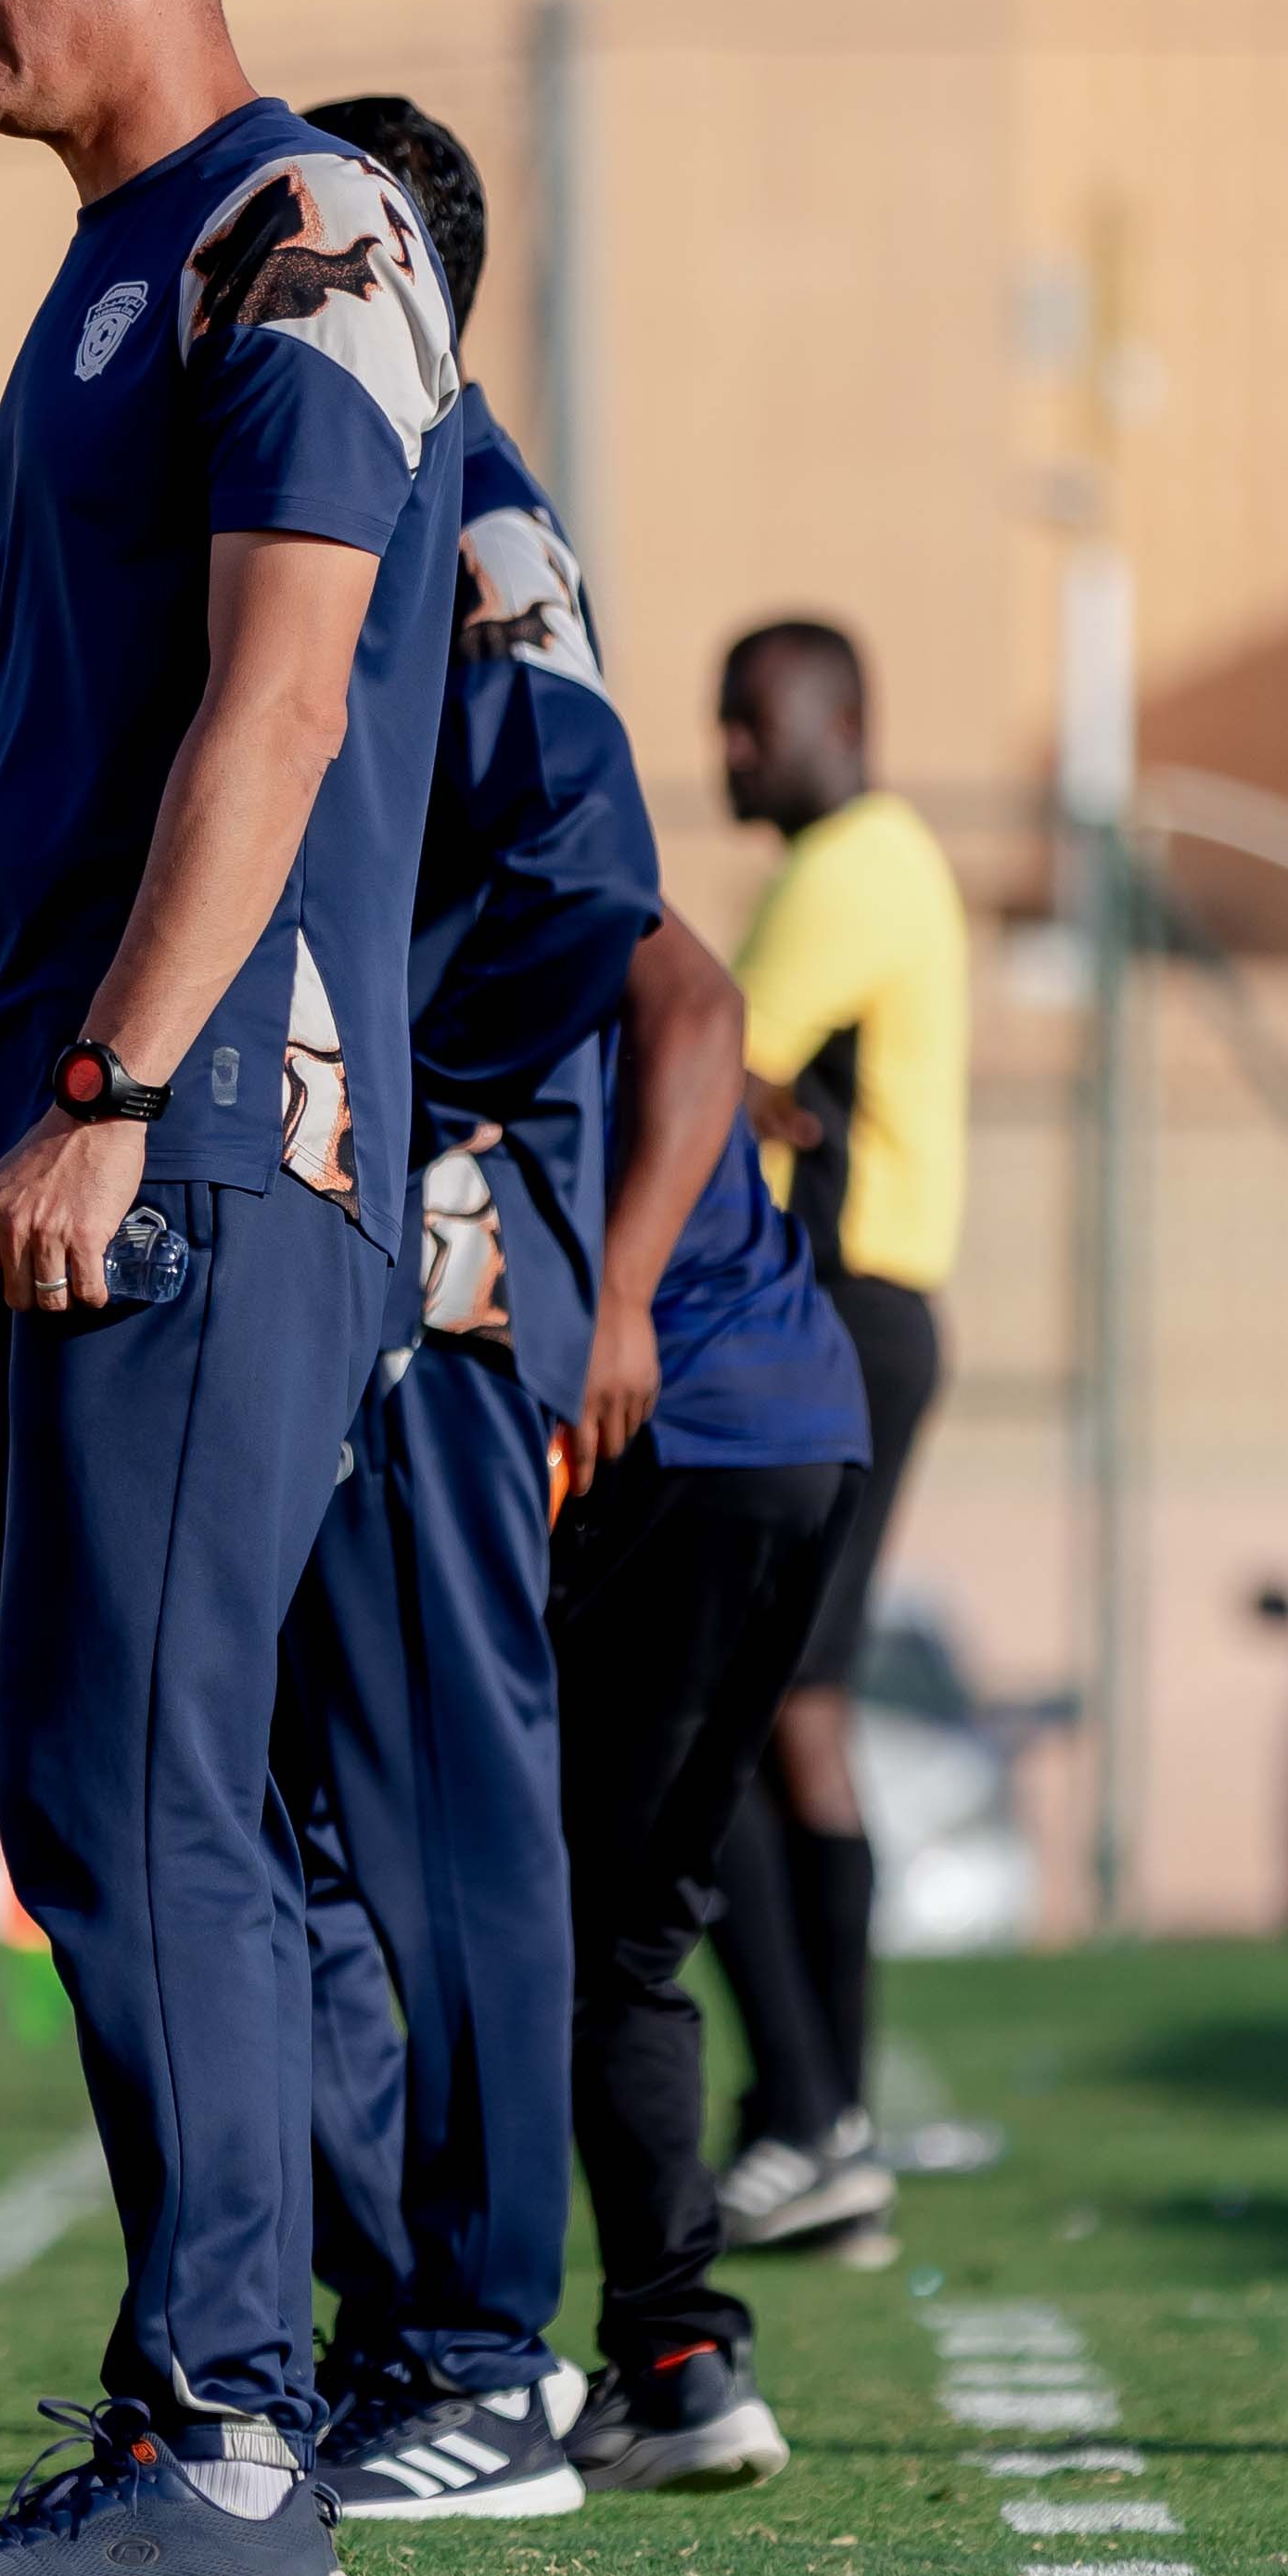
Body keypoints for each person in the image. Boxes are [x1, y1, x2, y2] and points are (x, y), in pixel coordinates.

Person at [0, 0, 465, 2576]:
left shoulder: (302, 231)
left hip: (189, 1128)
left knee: (146, 1785)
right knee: (124, 1789)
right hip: (93, 1126)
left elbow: (279, 709)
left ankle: (232, 2443)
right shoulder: (109, 260)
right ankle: (258, 2395)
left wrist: (103, 1087)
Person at [268, 97, 658, 2523]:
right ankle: (385, 2321)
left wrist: (398, 1095)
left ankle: (485, 2354)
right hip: (326, 1228)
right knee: (306, 1811)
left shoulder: (477, 513)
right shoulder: (368, 499)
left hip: (427, 1249)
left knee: (441, 1804)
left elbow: (584, 874)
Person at [549, 911, 867, 2490]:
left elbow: (702, 1005)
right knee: (624, 1920)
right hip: (788, 1418)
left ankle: (454, 2360)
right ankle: (667, 2354)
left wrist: (615, 1297)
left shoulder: (500, 800)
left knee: (509, 1910)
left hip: (679, 1418)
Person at [705, 619, 969, 2253]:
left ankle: (814, 2114)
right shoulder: (877, 862)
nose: (733, 751)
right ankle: (824, 2129)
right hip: (863, 1321)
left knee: (725, 1713)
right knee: (793, 1711)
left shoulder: (851, 865)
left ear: (846, 718)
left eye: (755, 720)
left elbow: (709, 1061)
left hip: (834, 1318)